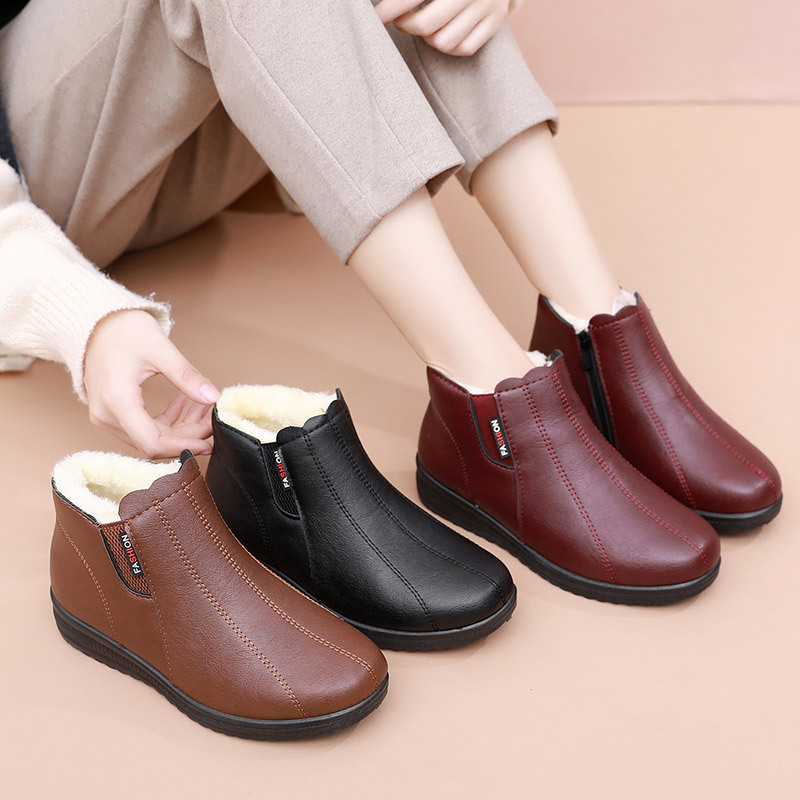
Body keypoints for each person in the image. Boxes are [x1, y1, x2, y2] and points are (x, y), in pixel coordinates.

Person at [0, 0, 781, 534]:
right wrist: (77, 313)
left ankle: (594, 329)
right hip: (32, 199)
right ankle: (490, 400)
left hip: (184, 116)